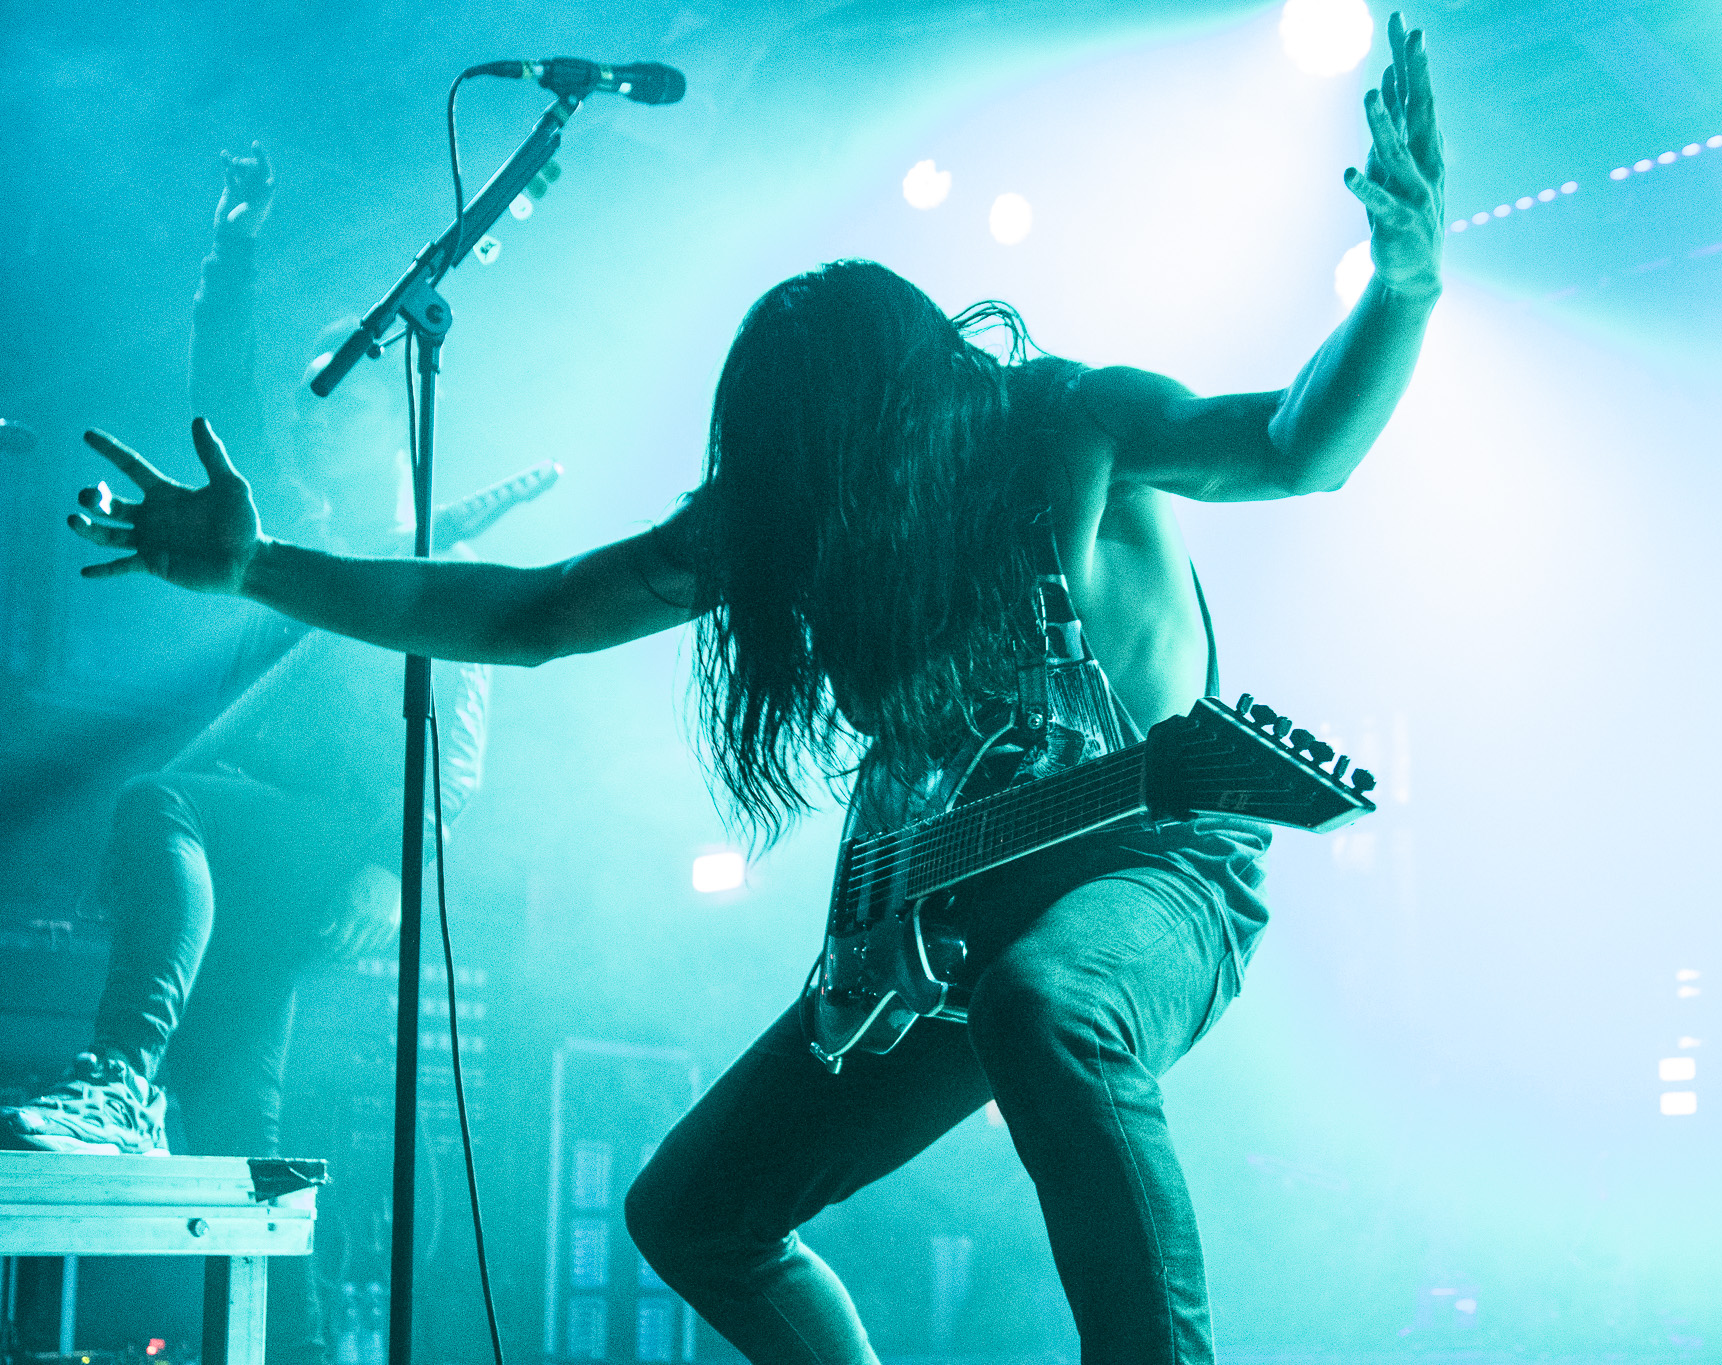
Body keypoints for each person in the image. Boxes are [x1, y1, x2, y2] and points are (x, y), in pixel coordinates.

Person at [56, 16, 1443, 1363]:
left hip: (1156, 861)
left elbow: (1294, 445)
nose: (830, 541)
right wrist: (259, 570)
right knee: (694, 1214)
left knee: (1046, 1007)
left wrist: (1401, 285)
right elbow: (529, 613)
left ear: (918, 426)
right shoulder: (786, 512)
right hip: (950, 905)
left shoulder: (1069, 427)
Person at [6, 144, 507, 1365]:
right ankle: (290, 1348)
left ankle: (119, 1079)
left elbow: (457, 752)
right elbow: (222, 410)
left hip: (321, 844)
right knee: (239, 1138)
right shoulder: (292, 541)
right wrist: (229, 252)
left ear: (402, 418)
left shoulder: (430, 560)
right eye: (312, 398)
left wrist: (394, 872)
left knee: (160, 800)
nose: (314, 418)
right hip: (255, 862)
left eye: (343, 396)